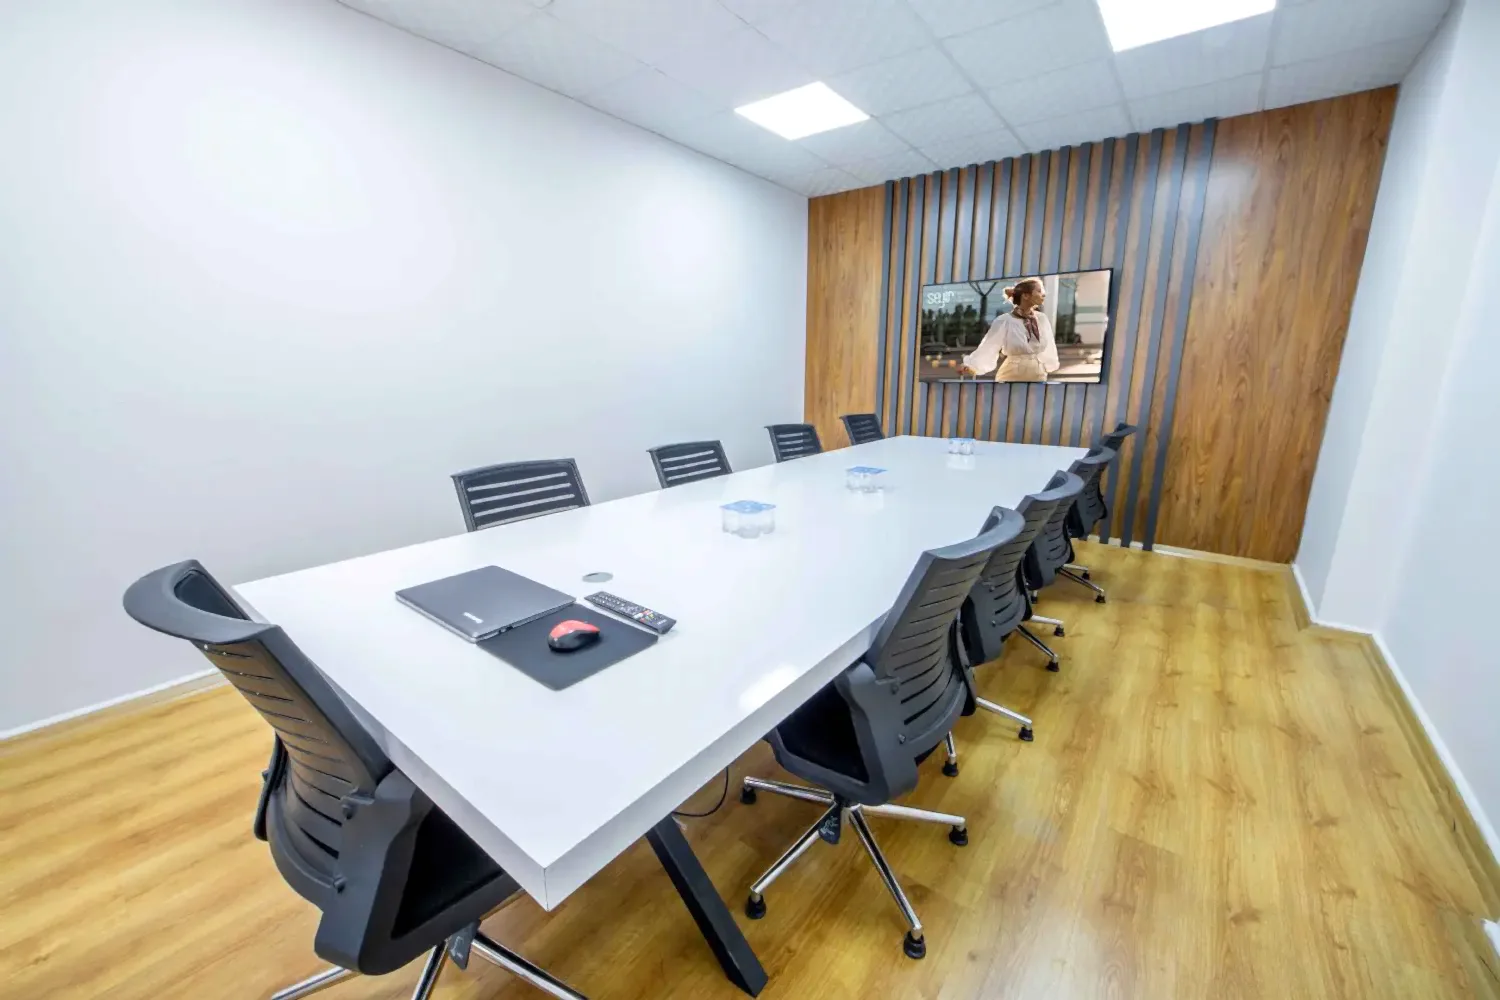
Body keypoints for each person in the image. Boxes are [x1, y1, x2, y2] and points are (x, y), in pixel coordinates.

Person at [959, 278, 1058, 383]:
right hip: (1012, 374)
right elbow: (990, 344)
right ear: (1026, 295)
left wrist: (1049, 364)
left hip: (1038, 374)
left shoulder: (1041, 319)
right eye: (1039, 291)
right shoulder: (1005, 321)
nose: (1043, 294)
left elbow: (1050, 346)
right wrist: (971, 365)